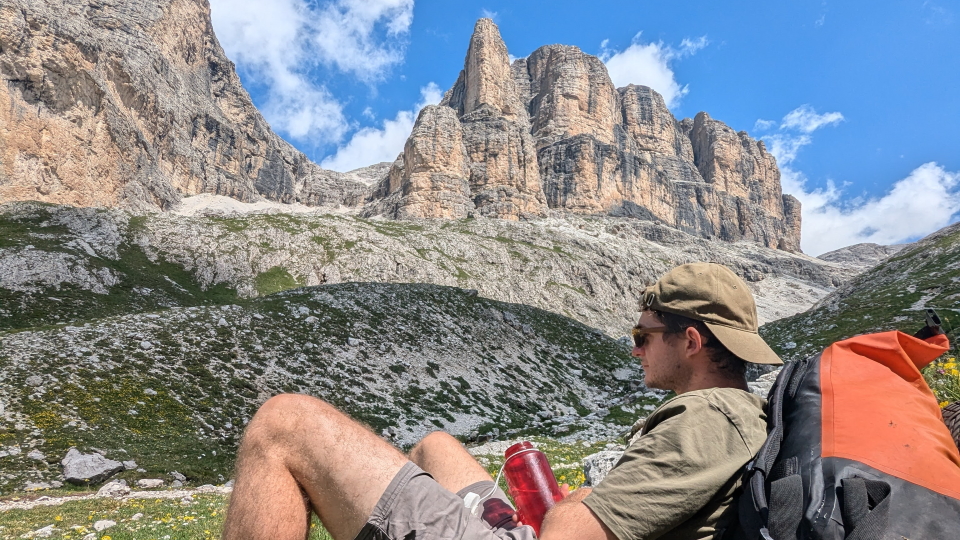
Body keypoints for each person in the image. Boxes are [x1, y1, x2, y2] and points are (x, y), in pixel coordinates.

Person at [222, 262, 782, 540]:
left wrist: (576, 503)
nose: (635, 350)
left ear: (691, 341)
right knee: (436, 446)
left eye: (643, 336)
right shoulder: (730, 415)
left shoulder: (708, 420)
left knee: (284, 422)